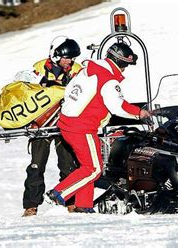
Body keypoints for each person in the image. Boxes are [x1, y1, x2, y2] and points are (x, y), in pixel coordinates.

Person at [47, 42, 152, 213]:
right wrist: (140, 113)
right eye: (126, 65)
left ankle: (84, 205)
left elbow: (68, 93)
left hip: (68, 123)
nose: (125, 70)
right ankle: (59, 193)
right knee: (94, 169)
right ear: (121, 63)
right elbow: (118, 106)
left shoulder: (87, 70)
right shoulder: (108, 79)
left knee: (86, 166)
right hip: (82, 127)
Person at [18, 36, 82, 217]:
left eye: (72, 58)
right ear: (55, 55)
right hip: (42, 124)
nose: (70, 61)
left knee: (68, 165)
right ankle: (31, 206)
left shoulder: (77, 70)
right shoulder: (39, 68)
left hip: (65, 124)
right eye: (66, 57)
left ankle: (70, 202)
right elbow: (25, 90)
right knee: (36, 166)